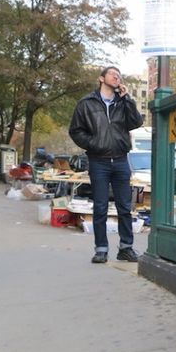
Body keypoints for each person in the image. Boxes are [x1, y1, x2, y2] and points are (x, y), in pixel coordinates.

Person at [69, 66, 142, 263]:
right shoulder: (86, 103)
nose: (117, 76)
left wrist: (128, 99)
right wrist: (93, 144)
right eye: (112, 73)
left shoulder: (122, 102)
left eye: (119, 74)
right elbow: (76, 131)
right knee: (100, 207)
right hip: (98, 161)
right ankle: (101, 249)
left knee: (125, 207)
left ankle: (126, 248)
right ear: (101, 78)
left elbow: (136, 122)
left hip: (120, 160)